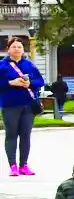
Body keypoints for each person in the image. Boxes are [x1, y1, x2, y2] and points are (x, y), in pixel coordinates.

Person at [1, 36, 44, 176]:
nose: (17, 49)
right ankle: (13, 165)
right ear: (8, 49)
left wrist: (30, 83)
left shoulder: (29, 65)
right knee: (11, 135)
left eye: (19, 47)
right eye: (14, 46)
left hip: (28, 105)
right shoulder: (2, 65)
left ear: (23, 49)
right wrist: (10, 83)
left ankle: (24, 165)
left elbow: (41, 81)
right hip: (10, 105)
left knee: (26, 136)